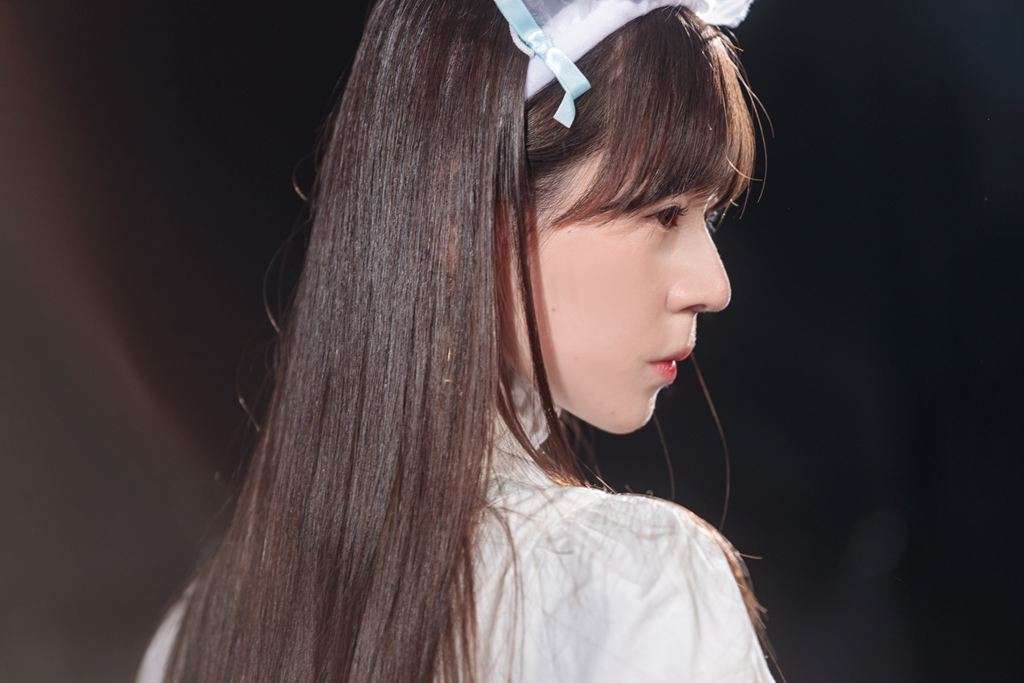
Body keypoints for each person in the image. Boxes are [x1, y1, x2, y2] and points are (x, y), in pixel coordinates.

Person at [136, 0, 779, 680]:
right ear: (468, 218)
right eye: (665, 213)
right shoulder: (635, 588)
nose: (713, 285)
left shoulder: (197, 634)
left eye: (711, 217)